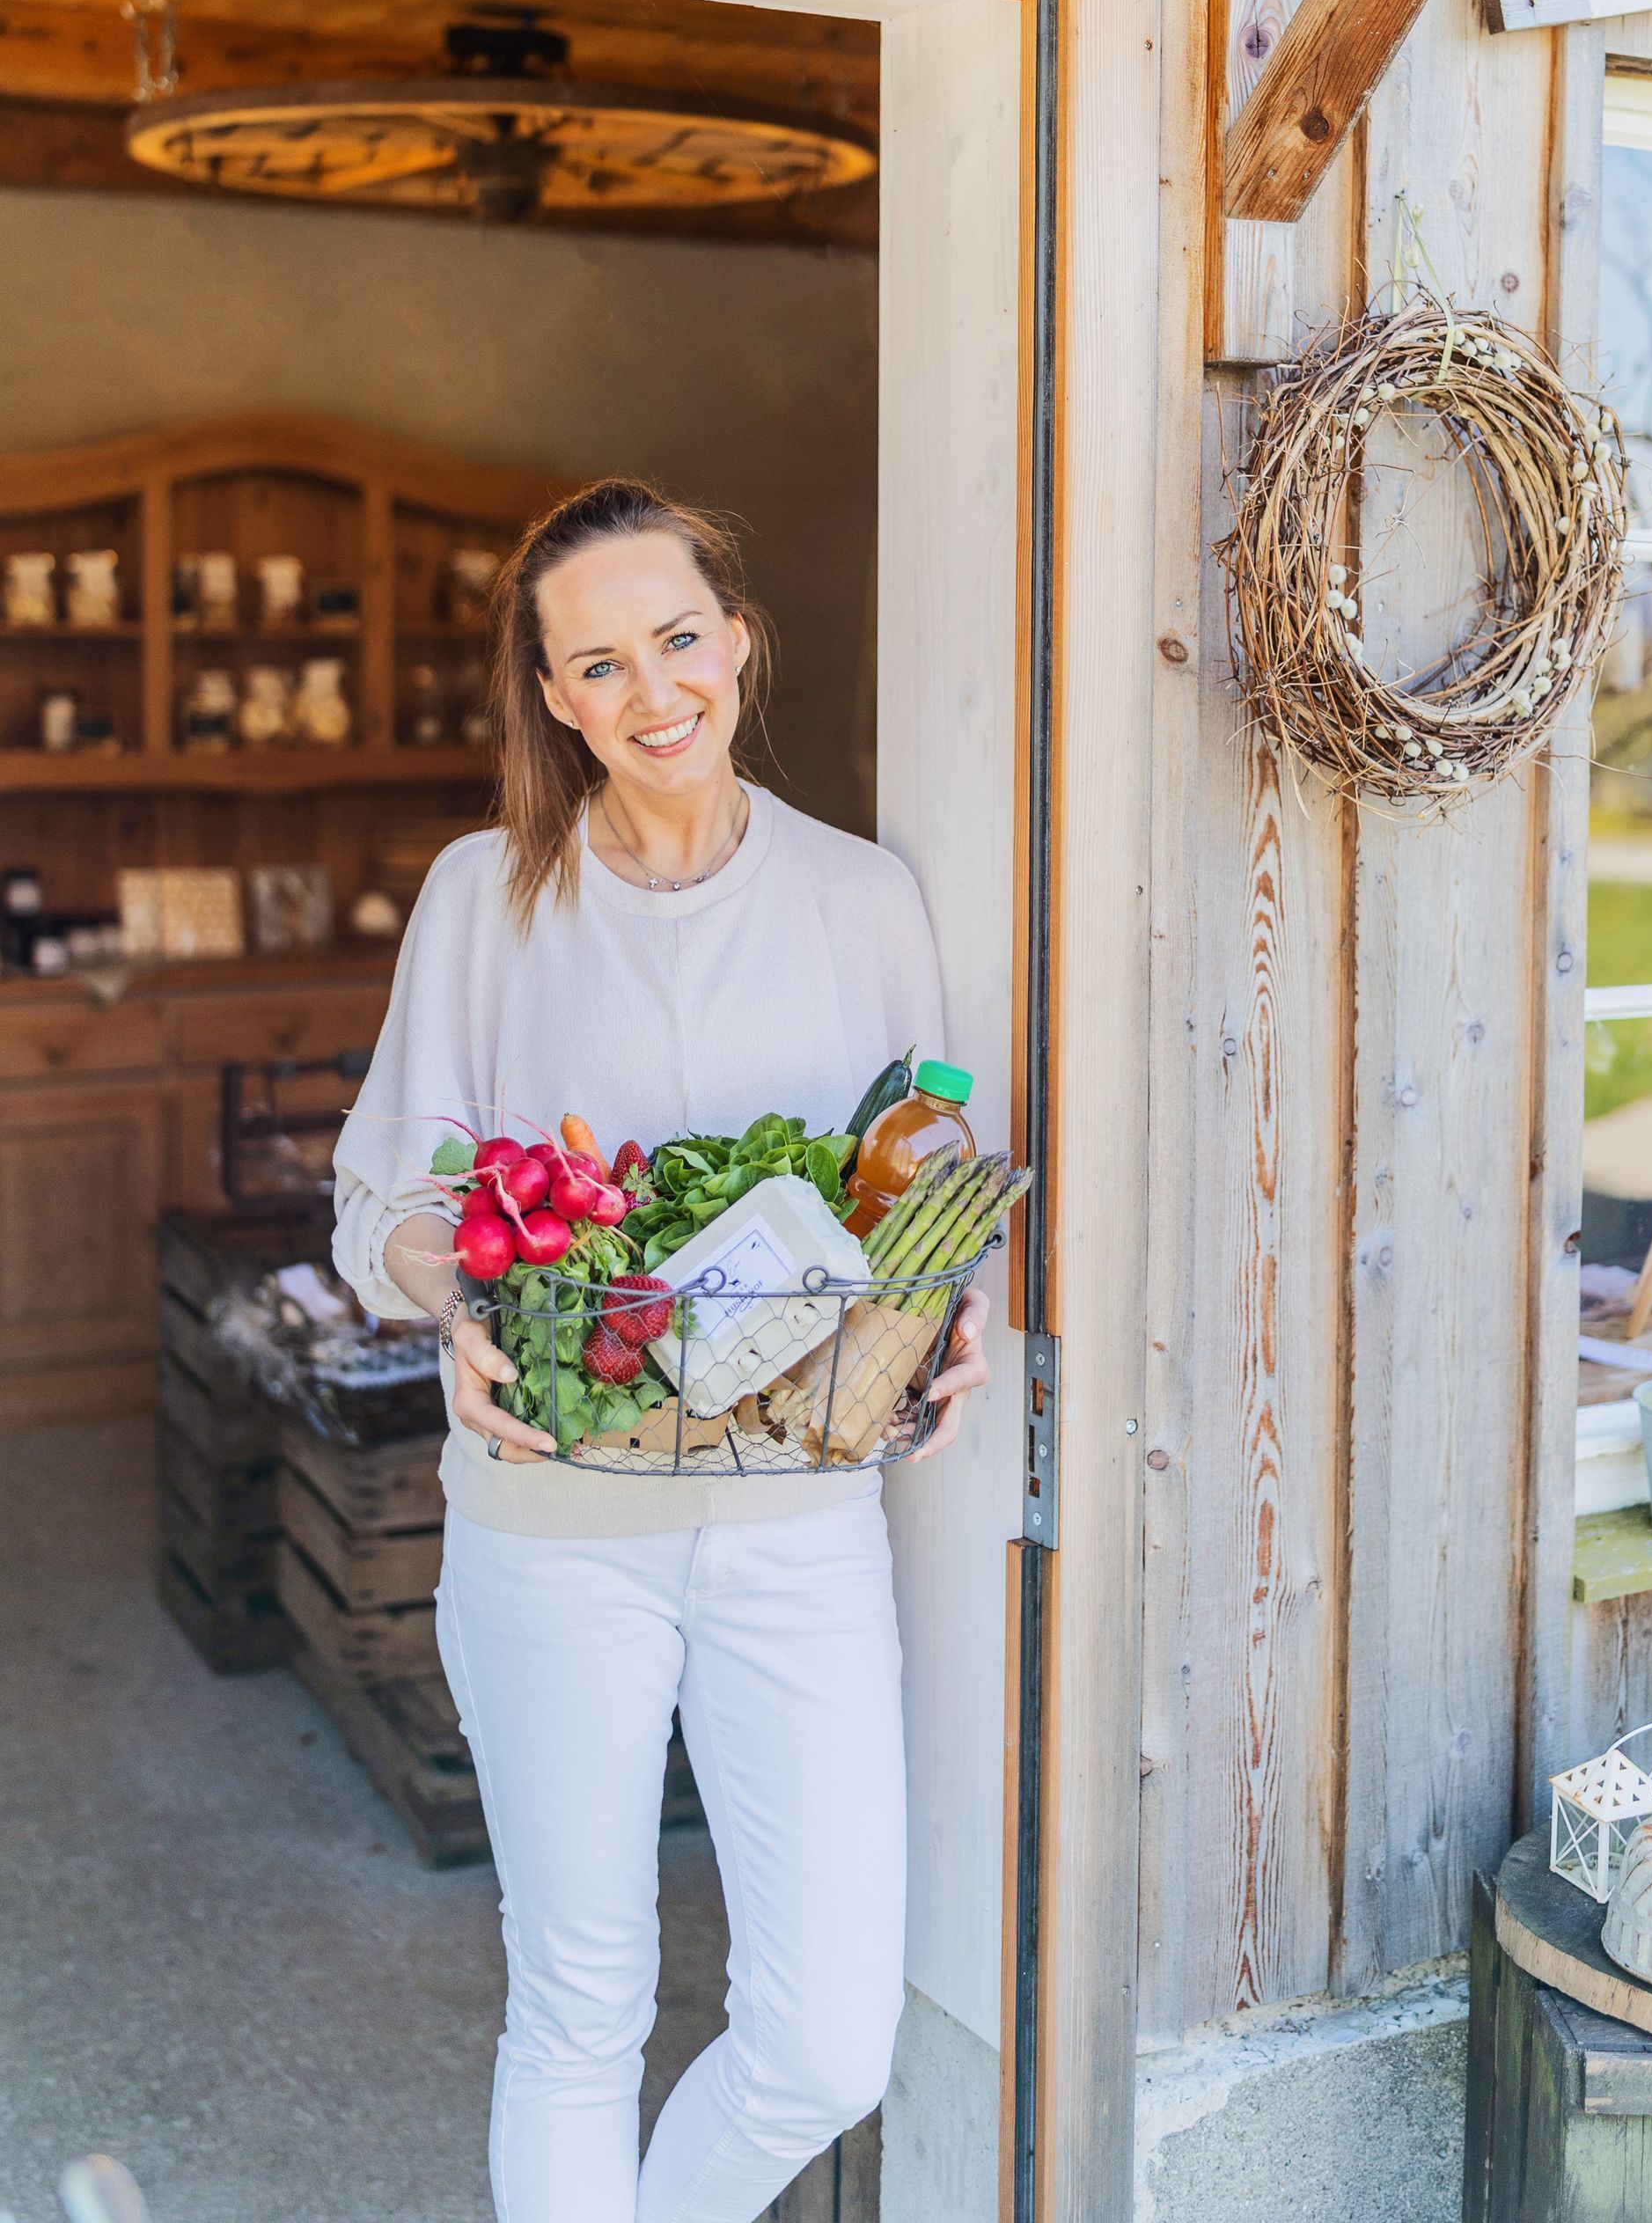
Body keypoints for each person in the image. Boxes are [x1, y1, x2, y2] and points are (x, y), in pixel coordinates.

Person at [331, 479, 992, 2223]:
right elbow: (391, 1190)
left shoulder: (864, 899)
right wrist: (452, 1300)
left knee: (830, 2041)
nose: (653, 692)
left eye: (678, 639)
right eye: (601, 663)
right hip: (553, 1532)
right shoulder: (488, 895)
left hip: (798, 1529)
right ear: (557, 698)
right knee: (579, 2008)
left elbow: (921, 1182)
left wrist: (958, 1302)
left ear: (739, 644)